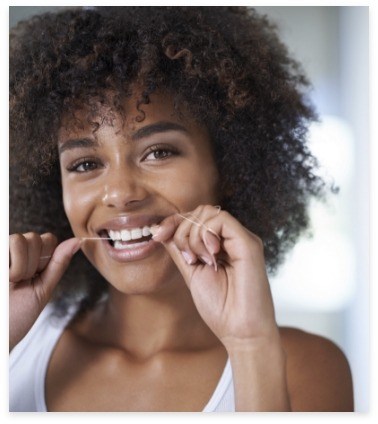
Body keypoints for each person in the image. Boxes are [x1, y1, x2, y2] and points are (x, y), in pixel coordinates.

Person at [9, 6, 354, 412]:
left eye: (158, 152)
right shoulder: (16, 341)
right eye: (85, 164)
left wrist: (250, 345)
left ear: (229, 168)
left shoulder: (304, 367)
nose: (119, 193)